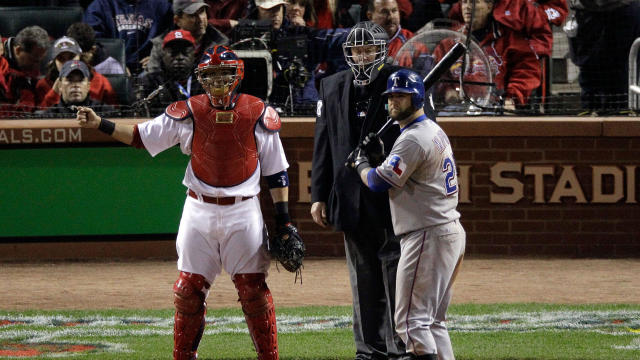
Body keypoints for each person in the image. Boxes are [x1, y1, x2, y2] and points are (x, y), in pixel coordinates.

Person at [76, 45, 298, 360]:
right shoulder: (188, 111)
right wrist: (101, 122)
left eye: (225, 73)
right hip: (199, 209)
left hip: (244, 209)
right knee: (187, 291)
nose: (218, 80)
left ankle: (269, 356)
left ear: (238, 74)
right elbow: (141, 136)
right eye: (211, 74)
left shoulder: (258, 111)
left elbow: (277, 173)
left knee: (253, 291)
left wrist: (285, 221)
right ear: (201, 78)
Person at [347, 69, 465, 360]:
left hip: (427, 234)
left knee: (411, 323)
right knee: (432, 323)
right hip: (444, 230)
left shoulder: (412, 139)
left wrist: (362, 164)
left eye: (401, 96)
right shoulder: (429, 132)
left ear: (418, 97)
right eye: (391, 97)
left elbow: (377, 182)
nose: (394, 102)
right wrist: (379, 158)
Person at [311, 21, 408, 360]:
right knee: (362, 277)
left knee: (396, 274)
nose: (361, 54)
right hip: (350, 196)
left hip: (392, 195)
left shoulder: (400, 81)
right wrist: (318, 195)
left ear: (383, 50)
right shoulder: (332, 84)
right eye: (356, 49)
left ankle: (401, 346)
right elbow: (324, 143)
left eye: (368, 48)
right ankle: (369, 350)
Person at [568, 0, 640, 113]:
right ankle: (592, 108)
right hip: (589, 13)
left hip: (622, 11)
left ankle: (620, 109)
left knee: (621, 65)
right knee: (590, 65)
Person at [83, 0, 173, 75]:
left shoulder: (162, 6)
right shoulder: (99, 6)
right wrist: (116, 65)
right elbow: (93, 43)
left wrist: (156, 57)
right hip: (113, 71)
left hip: (149, 70)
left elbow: (170, 38)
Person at [144, 0, 229, 74]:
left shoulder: (220, 42)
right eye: (192, 15)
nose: (200, 19)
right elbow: (153, 75)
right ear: (177, 20)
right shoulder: (161, 43)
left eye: (202, 12)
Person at [36, 36, 117, 109]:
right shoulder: (43, 85)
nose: (67, 63)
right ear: (54, 62)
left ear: (80, 57)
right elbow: (38, 117)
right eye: (61, 59)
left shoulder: (101, 82)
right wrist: (53, 93)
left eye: (71, 57)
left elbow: (115, 112)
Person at [136, 30, 203, 114]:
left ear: (194, 55)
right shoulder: (150, 81)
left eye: (185, 52)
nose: (179, 57)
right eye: (173, 53)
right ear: (163, 55)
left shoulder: (204, 81)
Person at [0, 26, 50, 115]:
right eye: (33, 60)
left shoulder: (31, 71)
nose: (36, 66)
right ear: (18, 50)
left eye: (39, 61)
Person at [41, 59, 115, 117]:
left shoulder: (105, 111)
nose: (76, 85)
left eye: (80, 80)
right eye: (70, 80)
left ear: (88, 86)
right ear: (60, 85)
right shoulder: (49, 115)